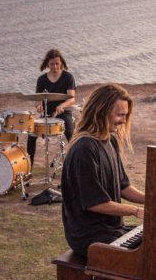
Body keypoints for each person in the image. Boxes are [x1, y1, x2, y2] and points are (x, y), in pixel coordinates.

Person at [60, 83, 146, 258]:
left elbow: (124, 187)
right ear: (101, 111)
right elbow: (94, 203)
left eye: (125, 115)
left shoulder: (110, 141)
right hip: (88, 236)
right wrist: (135, 211)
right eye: (120, 115)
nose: (123, 120)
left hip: (112, 230)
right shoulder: (84, 148)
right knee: (147, 257)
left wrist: (153, 200)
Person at [27, 48, 76, 166]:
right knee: (31, 135)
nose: (54, 66)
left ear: (61, 63)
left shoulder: (68, 77)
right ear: (47, 64)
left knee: (71, 134)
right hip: (46, 114)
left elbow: (71, 98)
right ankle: (29, 167)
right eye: (52, 64)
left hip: (64, 113)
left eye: (57, 63)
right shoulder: (42, 79)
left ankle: (75, 164)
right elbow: (37, 99)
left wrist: (62, 105)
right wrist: (38, 106)